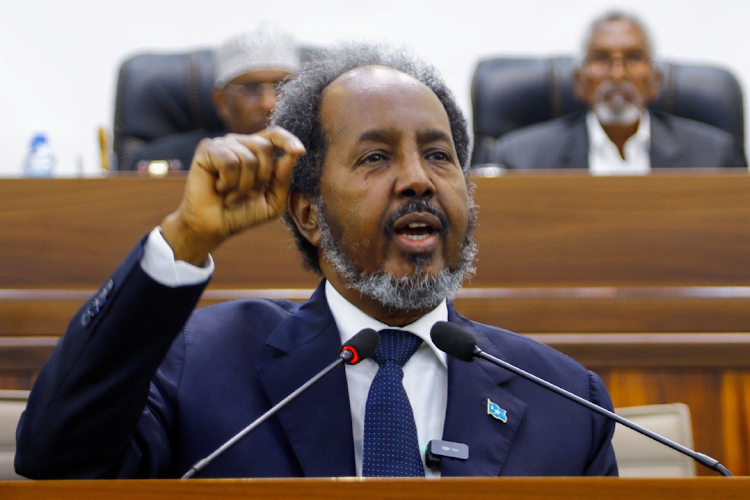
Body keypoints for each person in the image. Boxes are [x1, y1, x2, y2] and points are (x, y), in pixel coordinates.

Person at [15, 44, 618, 479]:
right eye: (377, 157)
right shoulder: (202, 364)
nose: (417, 180)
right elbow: (58, 458)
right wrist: (185, 238)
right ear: (308, 215)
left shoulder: (568, 402)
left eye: (439, 155)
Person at [489, 11, 747, 173]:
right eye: (601, 58)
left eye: (633, 58)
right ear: (580, 82)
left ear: (656, 80)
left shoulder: (714, 157)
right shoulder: (523, 158)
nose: (617, 75)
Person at [123, 24, 299, 171]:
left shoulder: (318, 158)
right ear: (221, 101)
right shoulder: (177, 162)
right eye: (250, 88)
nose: (269, 103)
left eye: (282, 86)